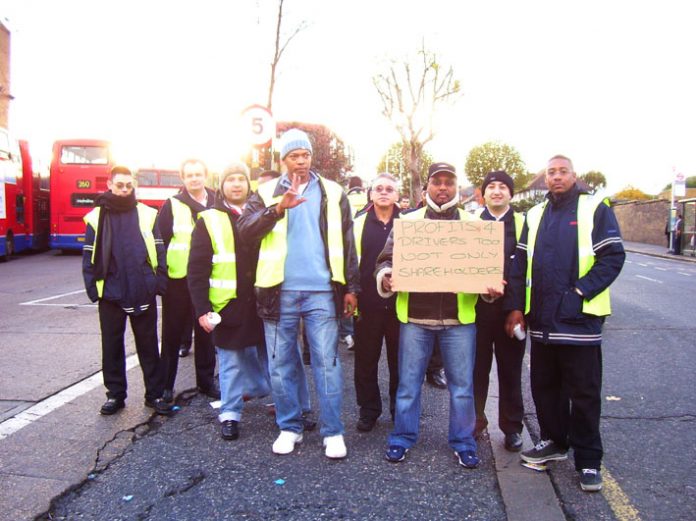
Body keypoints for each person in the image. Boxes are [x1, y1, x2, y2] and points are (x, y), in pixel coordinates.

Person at [504, 154, 625, 492]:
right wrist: (515, 307)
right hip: (541, 320)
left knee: (584, 393)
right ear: (545, 178)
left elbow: (613, 256)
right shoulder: (535, 213)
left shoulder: (594, 207)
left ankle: (588, 460)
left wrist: (579, 292)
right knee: (545, 388)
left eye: (563, 172)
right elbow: (520, 264)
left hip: (579, 321)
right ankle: (555, 442)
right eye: (551, 172)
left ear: (574, 175)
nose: (556, 177)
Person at [238, 128, 360, 459]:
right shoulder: (264, 193)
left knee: (328, 363)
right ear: (283, 160)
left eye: (305, 154)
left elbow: (348, 241)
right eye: (294, 156)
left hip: (323, 290)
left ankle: (332, 432)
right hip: (279, 292)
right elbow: (244, 232)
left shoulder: (333, 192)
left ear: (311, 157)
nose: (301, 161)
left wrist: (352, 286)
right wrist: (277, 209)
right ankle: (289, 427)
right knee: (281, 364)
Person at [376, 162, 501, 469]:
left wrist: (489, 289)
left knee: (462, 387)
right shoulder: (408, 222)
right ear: (426, 187)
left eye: (448, 182)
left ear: (456, 186)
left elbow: (485, 272)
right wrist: (388, 276)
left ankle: (462, 441)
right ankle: (402, 437)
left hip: (459, 321)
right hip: (416, 319)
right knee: (408, 385)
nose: (442, 187)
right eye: (437, 182)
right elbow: (384, 260)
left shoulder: (474, 224)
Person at [187, 162, 269, 440]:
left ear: (249, 184)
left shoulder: (263, 214)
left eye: (241, 179)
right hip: (227, 304)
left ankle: (283, 407)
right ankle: (231, 414)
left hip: (263, 300)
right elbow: (197, 268)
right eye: (230, 179)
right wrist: (202, 310)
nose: (236, 184)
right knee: (231, 364)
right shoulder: (208, 219)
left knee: (273, 358)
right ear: (221, 186)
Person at [82, 165, 173, 416]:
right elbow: (88, 255)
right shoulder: (95, 216)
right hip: (110, 292)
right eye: (119, 185)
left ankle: (154, 395)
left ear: (133, 186)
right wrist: (93, 289)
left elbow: (159, 250)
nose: (124, 190)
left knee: (148, 346)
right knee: (111, 346)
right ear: (110, 185)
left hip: (142, 288)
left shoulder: (146, 213)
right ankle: (115, 395)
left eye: (128, 185)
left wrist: (158, 283)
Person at [156, 158, 219, 402]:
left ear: (206, 175)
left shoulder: (217, 202)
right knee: (171, 334)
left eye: (198, 174)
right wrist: (161, 277)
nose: (194, 178)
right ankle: (165, 385)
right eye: (189, 175)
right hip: (178, 280)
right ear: (183, 179)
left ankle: (206, 383)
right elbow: (160, 242)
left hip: (208, 278)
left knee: (206, 332)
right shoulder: (172, 205)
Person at [472, 171, 526, 451]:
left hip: (510, 313)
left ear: (510, 193)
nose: (496, 191)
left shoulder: (523, 223)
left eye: (502, 187)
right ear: (482, 194)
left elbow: (526, 268)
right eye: (490, 187)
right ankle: (477, 420)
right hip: (477, 310)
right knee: (476, 369)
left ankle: (512, 427)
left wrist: (517, 308)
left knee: (510, 371)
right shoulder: (470, 224)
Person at [352, 173, 401, 432]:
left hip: (401, 305)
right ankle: (369, 410)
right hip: (367, 304)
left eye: (389, 189)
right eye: (378, 188)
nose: (383, 192)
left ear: (397, 195)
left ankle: (398, 410)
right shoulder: (358, 223)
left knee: (400, 362)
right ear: (371, 194)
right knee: (365, 361)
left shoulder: (409, 223)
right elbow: (351, 262)